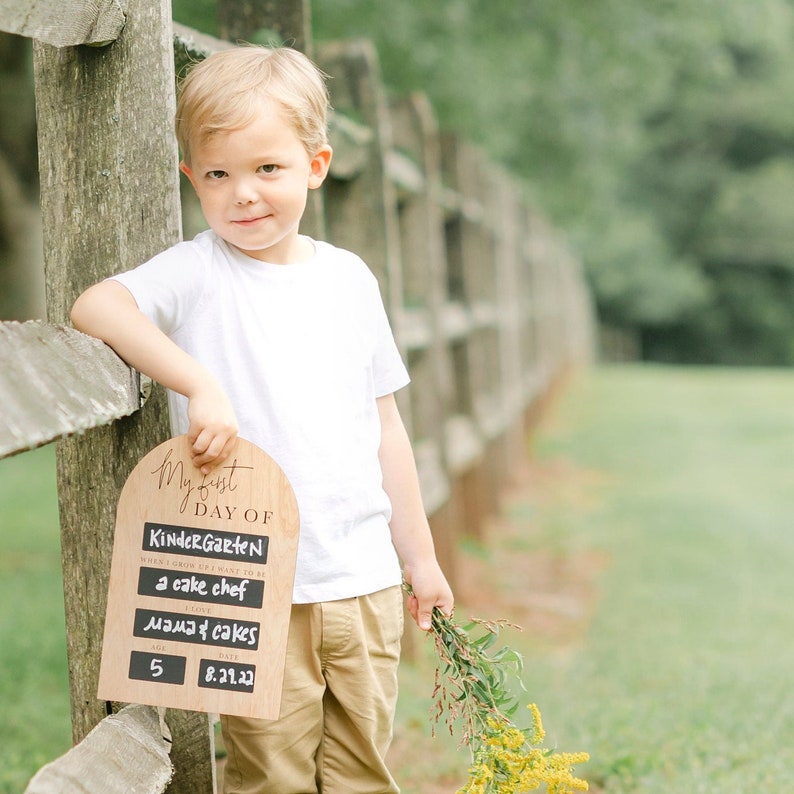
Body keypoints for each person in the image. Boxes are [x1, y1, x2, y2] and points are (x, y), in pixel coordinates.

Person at [71, 45, 454, 794]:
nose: (243, 194)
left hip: (365, 582)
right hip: (254, 583)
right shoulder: (199, 271)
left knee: (364, 773)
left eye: (267, 169)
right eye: (218, 174)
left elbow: (387, 430)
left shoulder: (349, 280)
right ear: (193, 179)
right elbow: (96, 306)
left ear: (316, 165)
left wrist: (422, 560)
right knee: (270, 775)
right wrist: (198, 382)